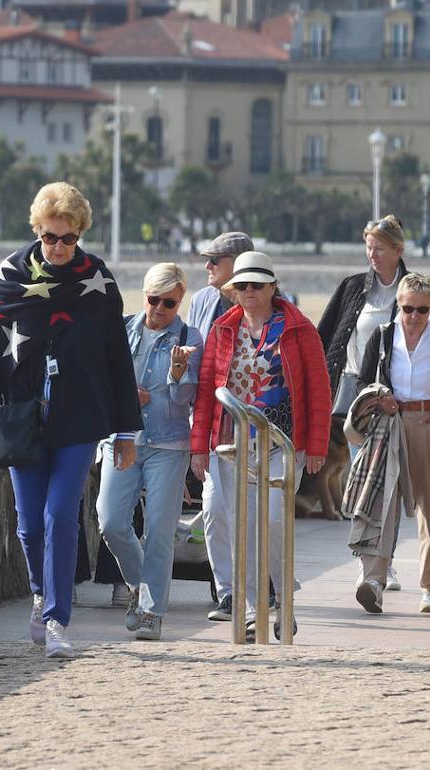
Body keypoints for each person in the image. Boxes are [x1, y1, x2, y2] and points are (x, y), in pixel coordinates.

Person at [0, 181, 141, 658]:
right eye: (49, 237)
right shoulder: (10, 273)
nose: (58, 247)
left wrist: (126, 431)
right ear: (37, 232)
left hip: (79, 418)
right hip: (22, 417)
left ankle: (58, 619)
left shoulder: (98, 282)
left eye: (68, 238)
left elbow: (116, 358)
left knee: (61, 514)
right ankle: (40, 591)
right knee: (29, 524)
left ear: (80, 234)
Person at [190, 251, 331, 639]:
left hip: (280, 444)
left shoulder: (299, 329)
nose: (249, 292)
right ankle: (252, 607)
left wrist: (317, 445)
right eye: (242, 286)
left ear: (273, 287)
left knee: (270, 520)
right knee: (228, 519)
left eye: (257, 285)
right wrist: (198, 445)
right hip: (229, 442)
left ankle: (284, 599)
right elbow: (207, 390)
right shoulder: (222, 329)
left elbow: (318, 391)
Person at [317, 215, 430, 592]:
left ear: (398, 250)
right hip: (356, 394)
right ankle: (371, 564)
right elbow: (326, 335)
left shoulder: (416, 291)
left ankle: (383, 563)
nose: (372, 254)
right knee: (364, 481)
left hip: (401, 398)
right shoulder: (353, 287)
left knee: (392, 484)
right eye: (368, 247)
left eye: (380, 248)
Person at [352, 273, 430, 614]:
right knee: (381, 503)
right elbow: (363, 379)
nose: (414, 316)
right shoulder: (383, 336)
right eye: (407, 309)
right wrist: (380, 400)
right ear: (398, 306)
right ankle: (373, 580)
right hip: (390, 424)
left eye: (422, 310)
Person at [96, 263, 203, 641]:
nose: (159, 310)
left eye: (169, 304)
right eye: (153, 300)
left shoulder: (191, 339)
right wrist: (123, 397)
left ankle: (151, 612)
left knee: (159, 529)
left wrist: (177, 374)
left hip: (168, 445)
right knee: (109, 521)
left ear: (180, 302)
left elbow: (184, 401)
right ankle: (141, 587)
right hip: (121, 440)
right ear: (143, 295)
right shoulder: (123, 330)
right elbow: (100, 384)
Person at [185, 231, 255, 622]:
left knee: (256, 513)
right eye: (207, 258)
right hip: (213, 425)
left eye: (216, 259)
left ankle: (260, 587)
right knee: (214, 510)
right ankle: (227, 592)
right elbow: (196, 370)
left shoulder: (265, 300)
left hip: (258, 428)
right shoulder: (200, 301)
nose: (208, 266)